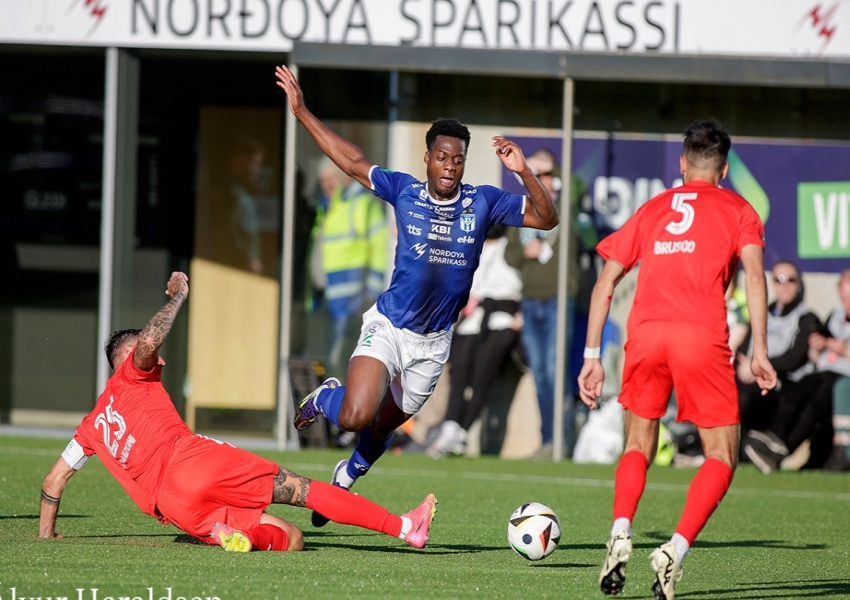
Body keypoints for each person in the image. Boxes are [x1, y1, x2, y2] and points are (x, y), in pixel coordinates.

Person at [274, 65, 558, 527]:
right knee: (354, 416)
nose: (450, 166)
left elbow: (547, 219)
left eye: (458, 159)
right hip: (389, 326)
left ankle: (346, 476)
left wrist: (523, 170)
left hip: (433, 343)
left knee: (384, 425)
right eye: (443, 157)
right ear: (428, 158)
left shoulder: (483, 201)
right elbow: (350, 160)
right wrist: (302, 111)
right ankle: (327, 396)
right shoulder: (404, 190)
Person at [38, 272, 436, 552]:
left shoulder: (92, 424)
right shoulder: (134, 374)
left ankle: (237, 537)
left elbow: (54, 481)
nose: (155, 357)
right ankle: (404, 527)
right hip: (191, 462)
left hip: (177, 510)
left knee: (293, 540)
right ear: (130, 358)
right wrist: (177, 297)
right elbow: (145, 347)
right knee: (305, 491)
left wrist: (46, 535)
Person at [577, 120, 776, 600]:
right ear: (724, 169)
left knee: (637, 445)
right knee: (721, 456)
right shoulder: (739, 209)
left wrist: (591, 356)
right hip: (700, 335)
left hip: (644, 335)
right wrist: (760, 350)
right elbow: (753, 275)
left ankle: (621, 529)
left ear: (682, 164)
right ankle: (675, 549)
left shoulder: (653, 208)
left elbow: (605, 284)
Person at [426, 224, 523, 458]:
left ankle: (460, 433)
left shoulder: (511, 249)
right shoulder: (474, 249)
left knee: (481, 378)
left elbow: (518, 285)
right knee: (458, 375)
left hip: (501, 320)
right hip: (472, 320)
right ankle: (450, 427)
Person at [308, 157, 388, 376]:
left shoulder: (363, 205)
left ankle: (344, 408)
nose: (326, 185)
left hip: (352, 301)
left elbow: (381, 251)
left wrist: (370, 294)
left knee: (342, 360)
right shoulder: (329, 208)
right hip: (328, 298)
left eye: (330, 180)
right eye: (323, 181)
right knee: (325, 359)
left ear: (343, 178)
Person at [736, 261, 820, 437]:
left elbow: (793, 359)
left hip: (778, 381)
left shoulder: (806, 317)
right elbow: (743, 348)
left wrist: (757, 367)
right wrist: (745, 366)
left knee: (745, 398)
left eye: (791, 280)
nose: (785, 285)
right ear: (773, 283)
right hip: (750, 374)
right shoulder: (761, 312)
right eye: (780, 279)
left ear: (798, 285)